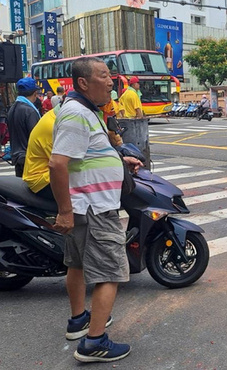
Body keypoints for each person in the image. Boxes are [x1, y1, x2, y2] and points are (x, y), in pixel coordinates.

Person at [49, 56, 141, 363]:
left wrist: (118, 159)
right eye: (103, 76)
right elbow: (58, 162)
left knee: (76, 264)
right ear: (84, 83)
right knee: (111, 272)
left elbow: (85, 155)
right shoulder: (76, 113)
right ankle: (94, 342)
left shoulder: (84, 110)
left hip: (83, 205)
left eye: (110, 75)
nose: (111, 80)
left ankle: (79, 321)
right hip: (94, 208)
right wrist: (64, 211)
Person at [7, 77, 41, 177]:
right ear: (35, 93)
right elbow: (36, 137)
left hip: (18, 158)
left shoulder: (12, 108)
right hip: (29, 159)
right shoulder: (29, 111)